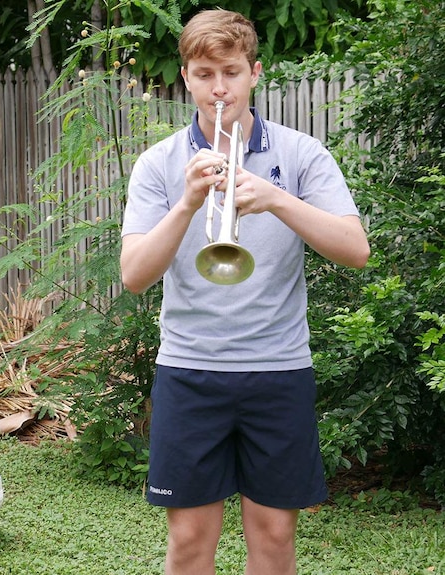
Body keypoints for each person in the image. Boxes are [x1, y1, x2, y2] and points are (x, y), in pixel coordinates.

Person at [119, 9, 370, 575]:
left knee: (276, 535)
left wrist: (277, 199)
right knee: (187, 540)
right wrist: (186, 203)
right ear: (186, 77)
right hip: (188, 370)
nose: (219, 88)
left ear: (255, 72)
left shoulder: (302, 154)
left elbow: (356, 250)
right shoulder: (159, 164)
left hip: (279, 369)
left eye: (231, 72)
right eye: (205, 74)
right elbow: (134, 276)